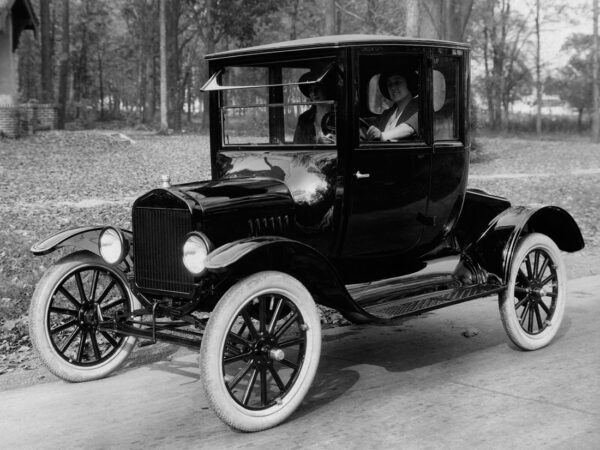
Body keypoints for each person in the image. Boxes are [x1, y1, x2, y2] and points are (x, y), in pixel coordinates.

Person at [366, 70, 418, 141]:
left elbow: (409, 128)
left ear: (409, 83)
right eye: (389, 84)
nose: (392, 88)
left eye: (397, 83)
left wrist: (382, 136)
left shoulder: (419, 108)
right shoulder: (387, 114)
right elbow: (372, 129)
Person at [293, 71, 336, 144]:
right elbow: (297, 144)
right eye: (311, 90)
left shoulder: (340, 115)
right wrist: (317, 141)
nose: (314, 93)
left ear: (325, 90)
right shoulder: (304, 119)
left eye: (317, 89)